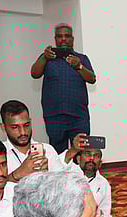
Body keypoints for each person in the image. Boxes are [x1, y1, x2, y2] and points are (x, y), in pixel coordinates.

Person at [31, 23, 96, 154]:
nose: (63, 39)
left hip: (79, 116)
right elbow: (35, 73)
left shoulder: (81, 58)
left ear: (72, 39)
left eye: (67, 36)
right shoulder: (47, 58)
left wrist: (79, 66)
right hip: (54, 116)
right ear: (55, 39)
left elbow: (92, 78)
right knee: (57, 154)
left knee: (82, 152)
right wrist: (44, 57)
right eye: (60, 36)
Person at [79, 148, 112, 217]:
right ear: (78, 159)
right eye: (88, 154)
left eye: (96, 156)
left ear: (100, 164)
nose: (91, 159)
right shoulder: (69, 177)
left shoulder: (104, 184)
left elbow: (105, 214)